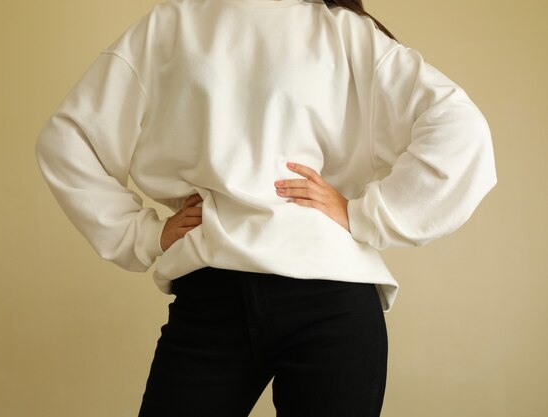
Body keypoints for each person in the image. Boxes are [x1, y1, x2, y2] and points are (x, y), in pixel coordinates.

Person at [34, 0, 497, 416]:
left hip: (331, 300)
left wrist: (361, 214)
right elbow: (68, 139)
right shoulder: (170, 25)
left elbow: (460, 129)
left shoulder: (345, 33)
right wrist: (143, 234)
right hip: (212, 299)